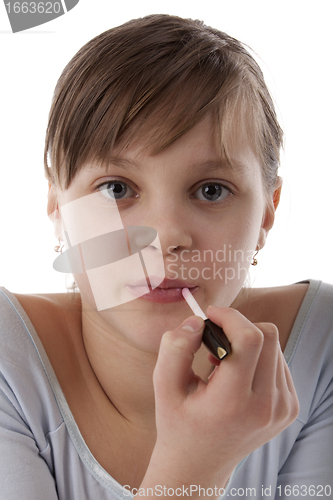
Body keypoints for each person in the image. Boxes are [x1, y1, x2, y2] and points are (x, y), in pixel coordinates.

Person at [0, 14, 332, 500]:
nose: (165, 238)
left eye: (211, 190)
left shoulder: (322, 348)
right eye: (117, 188)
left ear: (266, 213)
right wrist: (195, 464)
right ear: (57, 204)